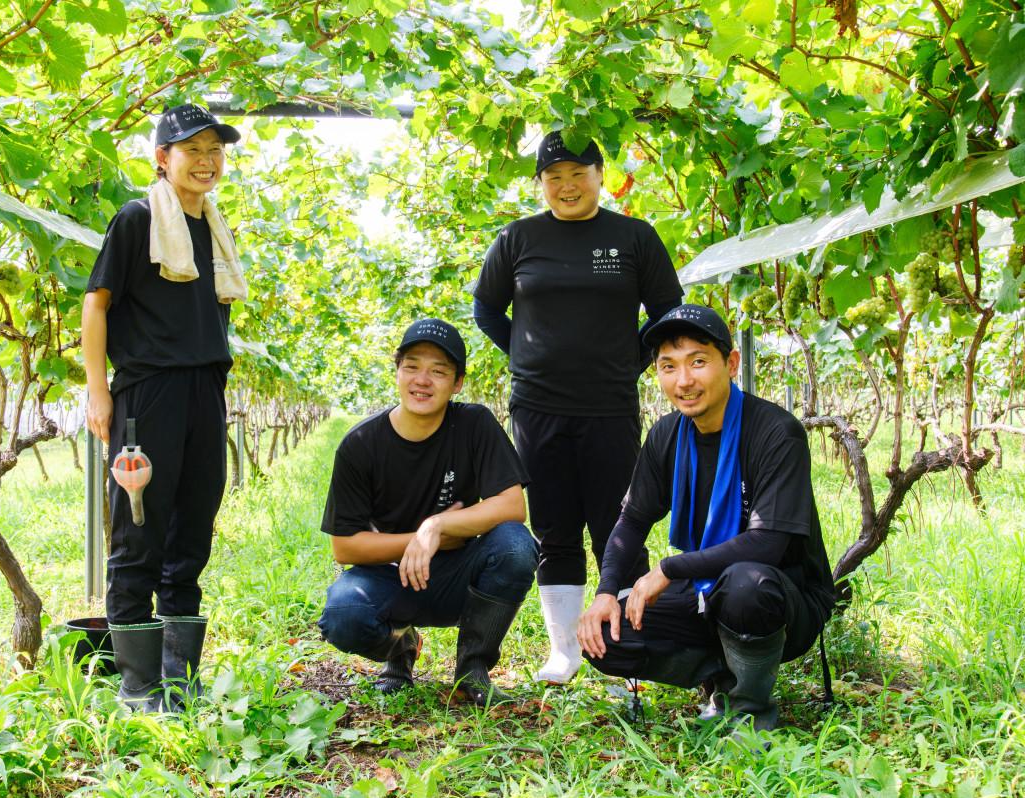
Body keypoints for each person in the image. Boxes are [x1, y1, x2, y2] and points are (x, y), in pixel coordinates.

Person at [472, 130, 684, 684]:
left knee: (617, 524)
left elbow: (667, 310)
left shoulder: (634, 237)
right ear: (541, 184)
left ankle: (627, 652)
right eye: (554, 177)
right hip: (537, 408)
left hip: (610, 405)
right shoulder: (518, 238)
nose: (566, 186)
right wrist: (526, 356)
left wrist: (630, 363)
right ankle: (564, 651)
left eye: (578, 174)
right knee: (554, 526)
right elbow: (487, 309)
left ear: (599, 175)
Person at [577, 304, 835, 731]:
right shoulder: (667, 434)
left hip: (782, 595)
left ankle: (749, 711)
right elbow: (632, 521)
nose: (684, 380)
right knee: (605, 637)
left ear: (730, 363)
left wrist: (667, 568)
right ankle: (721, 677)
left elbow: (767, 545)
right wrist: (606, 591)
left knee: (746, 584)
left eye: (698, 362)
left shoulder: (775, 432)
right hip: (705, 589)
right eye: (668, 366)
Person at [82, 103, 245, 712]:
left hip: (205, 391)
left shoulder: (212, 227)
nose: (206, 162)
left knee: (192, 527)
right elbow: (96, 305)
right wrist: (99, 390)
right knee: (140, 530)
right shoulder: (138, 219)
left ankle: (178, 675)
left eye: (215, 151)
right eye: (192, 150)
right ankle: (138, 685)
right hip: (146, 395)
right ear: (162, 158)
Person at [317, 319, 538, 705]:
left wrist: (437, 526)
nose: (423, 380)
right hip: (391, 579)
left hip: (459, 576)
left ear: (457, 384)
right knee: (344, 614)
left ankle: (473, 674)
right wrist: (418, 541)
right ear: (397, 371)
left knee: (516, 546)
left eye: (439, 371)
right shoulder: (360, 445)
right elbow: (345, 547)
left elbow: (511, 505)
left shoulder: (474, 425)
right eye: (413, 366)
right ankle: (401, 647)